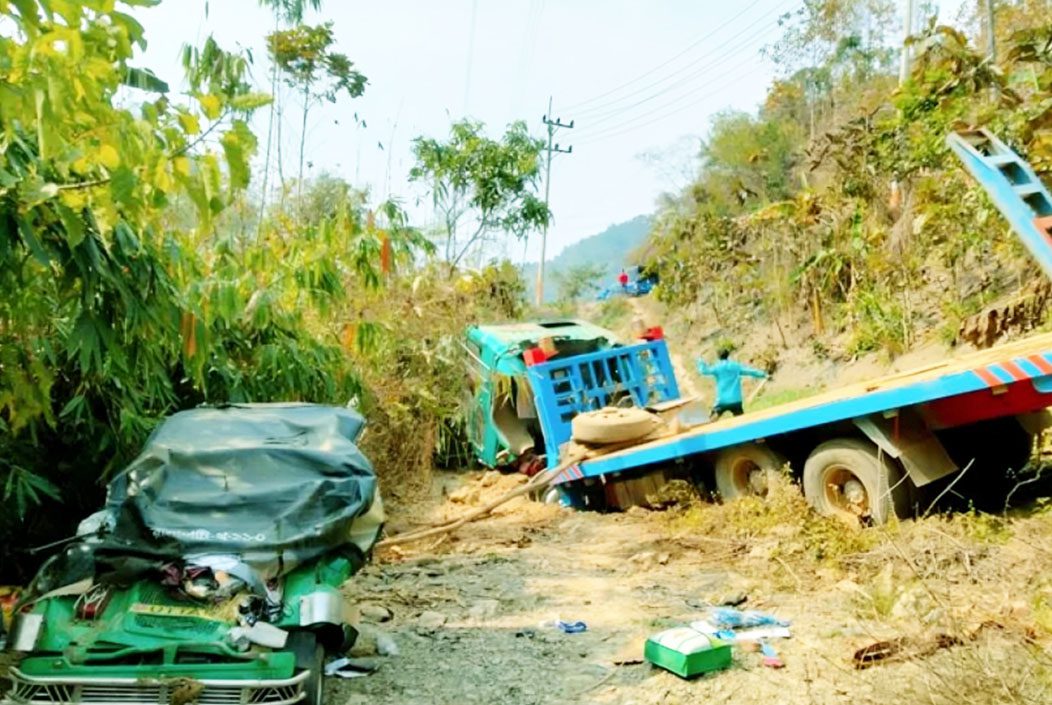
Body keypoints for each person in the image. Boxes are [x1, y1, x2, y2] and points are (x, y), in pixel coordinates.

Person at [696, 348, 767, 417]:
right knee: (741, 421)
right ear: (728, 355)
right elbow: (750, 371)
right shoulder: (735, 366)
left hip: (722, 401)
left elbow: (704, 371)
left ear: (718, 357)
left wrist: (700, 360)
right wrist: (763, 374)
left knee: (711, 421)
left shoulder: (717, 367)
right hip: (736, 400)